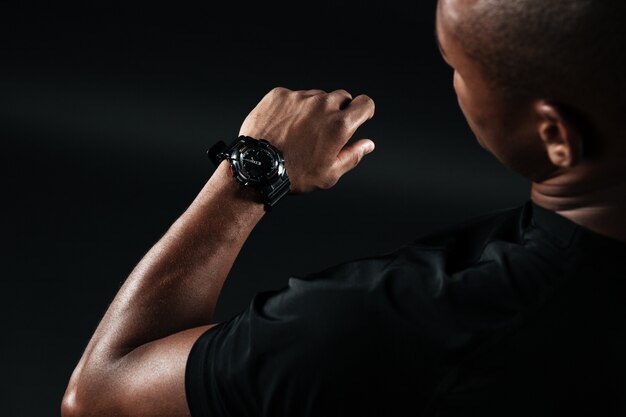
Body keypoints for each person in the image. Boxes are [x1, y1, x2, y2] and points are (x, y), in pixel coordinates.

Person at [62, 0, 626, 416]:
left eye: (457, 64)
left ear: (555, 134)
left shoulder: (380, 327)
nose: (452, 80)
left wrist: (254, 166)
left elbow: (98, 396)